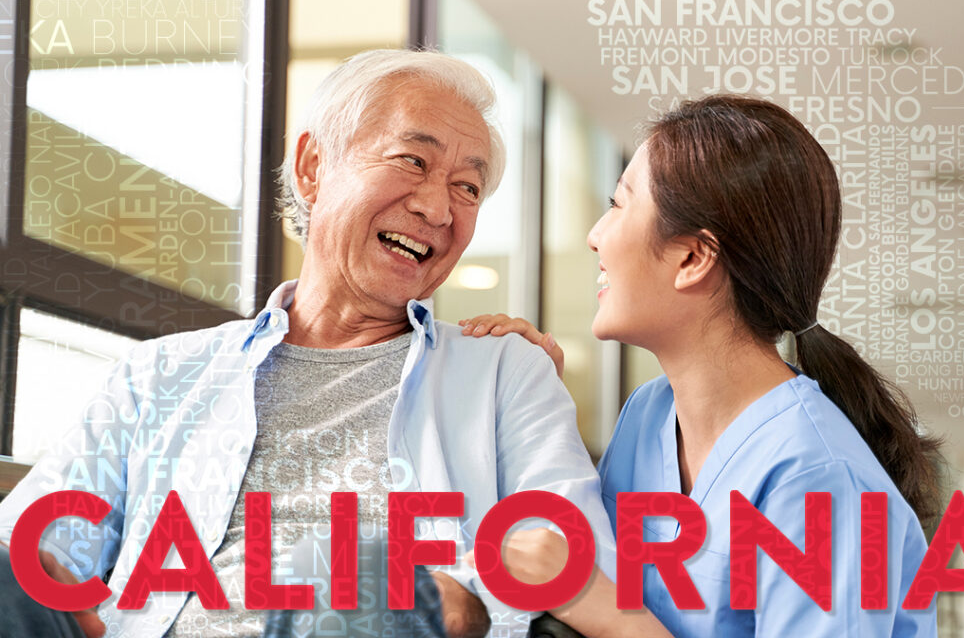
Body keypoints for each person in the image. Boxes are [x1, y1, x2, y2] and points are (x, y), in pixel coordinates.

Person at [0, 49, 618, 638]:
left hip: (373, 619)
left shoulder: (505, 371)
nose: (437, 207)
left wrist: (465, 597)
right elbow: (42, 541)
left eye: (468, 188)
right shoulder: (159, 373)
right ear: (313, 169)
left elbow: (572, 554)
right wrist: (37, 575)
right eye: (412, 160)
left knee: (352, 570)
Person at [461, 95, 942, 636]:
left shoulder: (819, 477)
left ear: (693, 258)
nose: (595, 234)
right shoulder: (648, 415)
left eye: (619, 205)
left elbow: (593, 595)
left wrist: (606, 612)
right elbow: (564, 559)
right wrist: (524, 410)